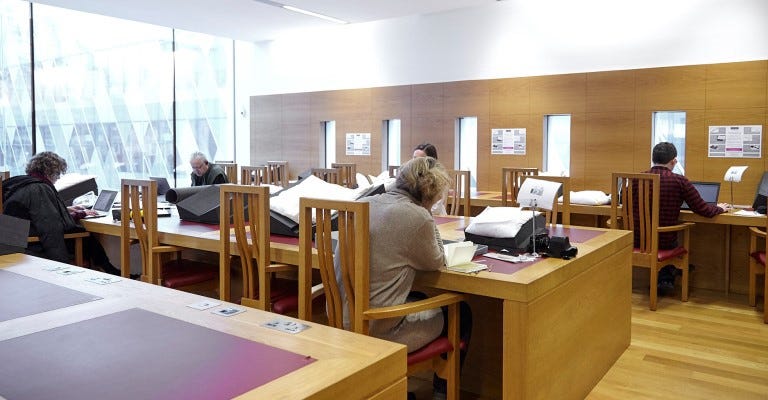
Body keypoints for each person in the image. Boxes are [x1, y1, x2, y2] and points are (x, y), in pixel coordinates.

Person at [357, 156, 472, 399]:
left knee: (417, 295)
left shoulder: (364, 202)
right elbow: (437, 260)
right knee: (461, 312)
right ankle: (442, 394)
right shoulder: (416, 216)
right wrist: (427, 214)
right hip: (378, 326)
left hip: (343, 319)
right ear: (430, 194)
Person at [1, 151, 120, 275]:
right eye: (58, 173)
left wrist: (67, 210)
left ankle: (109, 270)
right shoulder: (40, 189)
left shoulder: (21, 184)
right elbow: (52, 227)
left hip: (13, 242)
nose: (58, 178)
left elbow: (35, 213)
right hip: (31, 245)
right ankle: (109, 272)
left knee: (86, 238)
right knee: (85, 235)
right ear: (49, 172)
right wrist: (61, 267)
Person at [639, 142, 729, 293]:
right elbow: (703, 209)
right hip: (663, 240)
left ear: (653, 159)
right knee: (670, 236)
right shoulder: (679, 181)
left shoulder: (637, 179)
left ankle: (668, 275)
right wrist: (720, 208)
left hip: (635, 239)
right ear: (674, 161)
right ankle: (670, 273)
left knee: (661, 234)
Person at [412, 142, 447, 215]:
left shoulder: (439, 179)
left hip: (435, 219)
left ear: (431, 161)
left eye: (420, 159)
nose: (415, 162)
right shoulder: (409, 176)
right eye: (414, 158)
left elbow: (435, 210)